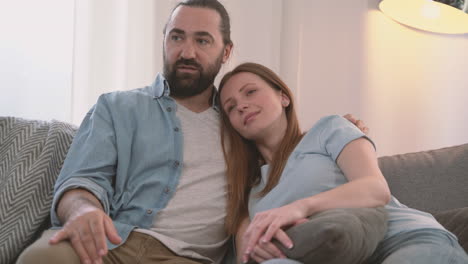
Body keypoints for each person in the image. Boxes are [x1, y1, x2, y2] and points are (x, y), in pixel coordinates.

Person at [16, 1, 367, 264]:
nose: (187, 51)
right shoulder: (118, 108)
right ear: (164, 41)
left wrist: (342, 132)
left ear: (225, 51)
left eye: (203, 40)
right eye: (177, 37)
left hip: (193, 259)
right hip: (111, 243)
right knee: (40, 259)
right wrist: (82, 212)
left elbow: (289, 151)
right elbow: (81, 181)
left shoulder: (239, 121)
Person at [217, 62, 468, 264]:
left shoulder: (329, 129)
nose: (242, 106)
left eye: (250, 92)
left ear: (283, 97)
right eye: (231, 107)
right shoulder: (251, 193)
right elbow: (244, 254)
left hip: (401, 238)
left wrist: (300, 207)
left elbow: (375, 188)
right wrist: (256, 250)